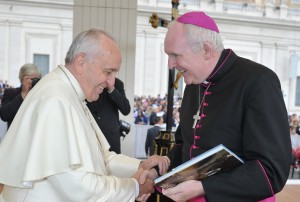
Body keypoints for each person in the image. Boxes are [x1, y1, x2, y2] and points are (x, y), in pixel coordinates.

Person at [0, 28, 170, 201]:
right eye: (108, 72)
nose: (110, 81)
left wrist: (141, 165)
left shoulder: (71, 94)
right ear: (81, 62)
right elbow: (77, 187)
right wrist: (134, 187)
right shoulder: (56, 99)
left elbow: (103, 159)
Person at [161, 11, 292, 201]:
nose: (170, 64)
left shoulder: (258, 81)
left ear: (206, 50)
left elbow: (271, 172)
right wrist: (161, 167)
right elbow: (185, 145)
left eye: (175, 55)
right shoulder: (194, 83)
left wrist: (204, 187)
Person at [87, 77, 130, 154]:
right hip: (90, 137)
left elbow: (126, 110)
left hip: (111, 140)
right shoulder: (86, 81)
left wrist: (112, 89)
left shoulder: (117, 83)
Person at [0, 63, 41, 129]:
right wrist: (23, 93)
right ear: (21, 80)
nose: (32, 82)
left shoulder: (41, 95)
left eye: (35, 79)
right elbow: (4, 115)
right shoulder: (11, 93)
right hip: (15, 135)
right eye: (29, 78)